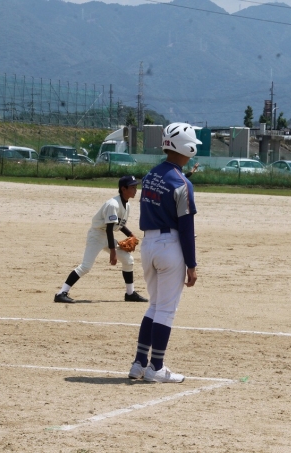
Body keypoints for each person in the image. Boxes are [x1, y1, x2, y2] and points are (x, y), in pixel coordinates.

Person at [128, 122, 200, 383]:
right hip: (170, 246)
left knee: (155, 306)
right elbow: (186, 227)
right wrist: (192, 265)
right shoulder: (182, 183)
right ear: (187, 147)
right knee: (166, 310)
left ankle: (139, 363)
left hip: (148, 244)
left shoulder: (150, 175)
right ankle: (156, 367)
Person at [54, 175, 149, 303]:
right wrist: (113, 253)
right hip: (97, 235)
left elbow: (118, 223)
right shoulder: (113, 204)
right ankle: (61, 293)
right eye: (132, 187)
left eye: (135, 187)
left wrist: (131, 235)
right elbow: (109, 229)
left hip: (107, 236)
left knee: (128, 260)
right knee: (86, 266)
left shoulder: (127, 204)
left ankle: (130, 293)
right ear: (123, 189)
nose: (135, 190)